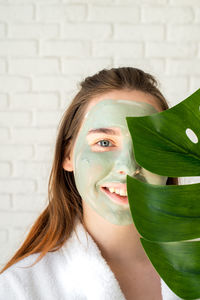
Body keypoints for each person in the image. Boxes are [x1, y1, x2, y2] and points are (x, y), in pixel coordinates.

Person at [0, 67, 180, 300]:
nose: (127, 165)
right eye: (105, 142)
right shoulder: (16, 289)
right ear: (68, 155)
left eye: (150, 144)